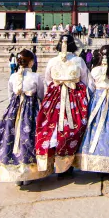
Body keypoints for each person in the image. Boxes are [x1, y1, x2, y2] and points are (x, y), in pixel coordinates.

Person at [0, 49, 48, 185]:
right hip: (30, 111)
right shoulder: (36, 77)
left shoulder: (13, 77)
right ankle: (28, 172)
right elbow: (41, 95)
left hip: (13, 112)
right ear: (31, 62)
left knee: (10, 137)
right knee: (29, 139)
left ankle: (13, 171)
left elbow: (10, 95)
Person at [35, 34, 91, 177]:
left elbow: (48, 80)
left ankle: (56, 160)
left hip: (55, 97)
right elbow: (85, 80)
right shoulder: (79, 61)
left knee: (51, 127)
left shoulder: (52, 61)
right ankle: (68, 163)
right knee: (74, 127)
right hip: (75, 96)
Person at [76, 45, 109, 173]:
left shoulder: (95, 70)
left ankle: (95, 161)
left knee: (96, 129)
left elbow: (90, 89)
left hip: (98, 100)